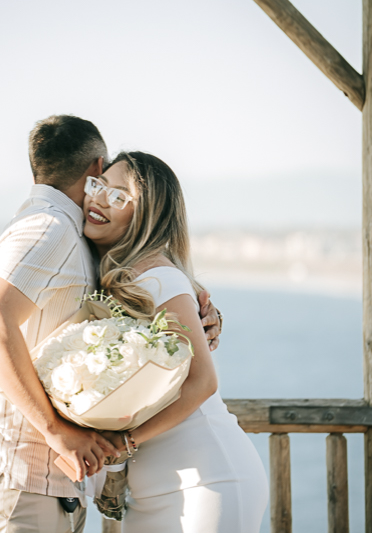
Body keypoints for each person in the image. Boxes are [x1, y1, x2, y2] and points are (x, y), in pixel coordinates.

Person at [0, 116, 221, 533]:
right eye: (104, 183)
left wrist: (198, 305)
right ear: (96, 167)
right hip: (16, 482)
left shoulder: (76, 238)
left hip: (52, 485)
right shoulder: (49, 227)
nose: (104, 197)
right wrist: (56, 431)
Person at [83, 152, 269, 533]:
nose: (98, 199)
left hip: (208, 481)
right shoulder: (108, 275)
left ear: (146, 216)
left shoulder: (158, 279)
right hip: (151, 492)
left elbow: (203, 382)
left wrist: (123, 441)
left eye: (119, 196)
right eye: (99, 186)